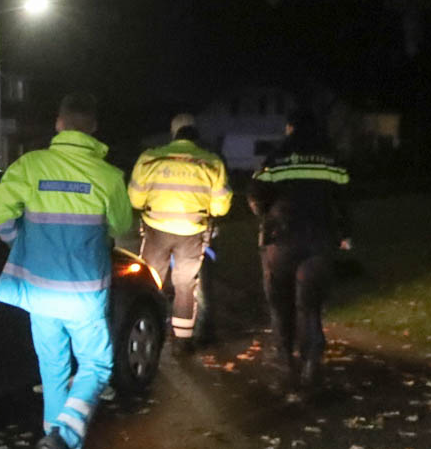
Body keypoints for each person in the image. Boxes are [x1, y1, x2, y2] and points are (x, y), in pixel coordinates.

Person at [0, 92, 134, 449]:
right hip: (83, 294)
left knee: (53, 372)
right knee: (97, 366)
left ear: (58, 124)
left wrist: (20, 241)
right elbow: (122, 225)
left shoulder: (30, 166)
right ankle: (64, 441)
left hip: (39, 293)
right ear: (94, 128)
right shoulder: (108, 176)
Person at [247, 111, 352, 396]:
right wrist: (344, 234)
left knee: (280, 302)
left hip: (281, 240)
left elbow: (255, 193)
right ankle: (311, 361)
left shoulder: (277, 156)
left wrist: (265, 216)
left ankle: (285, 360)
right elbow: (343, 198)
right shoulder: (330, 158)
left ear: (290, 128)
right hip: (319, 240)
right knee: (311, 304)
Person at [129, 114, 232, 351]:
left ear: (174, 132)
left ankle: (148, 331)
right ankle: (183, 342)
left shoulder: (150, 159)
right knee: (185, 286)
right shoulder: (212, 163)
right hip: (192, 233)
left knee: (150, 282)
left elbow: (135, 199)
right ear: (195, 133)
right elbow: (221, 207)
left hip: (156, 231)